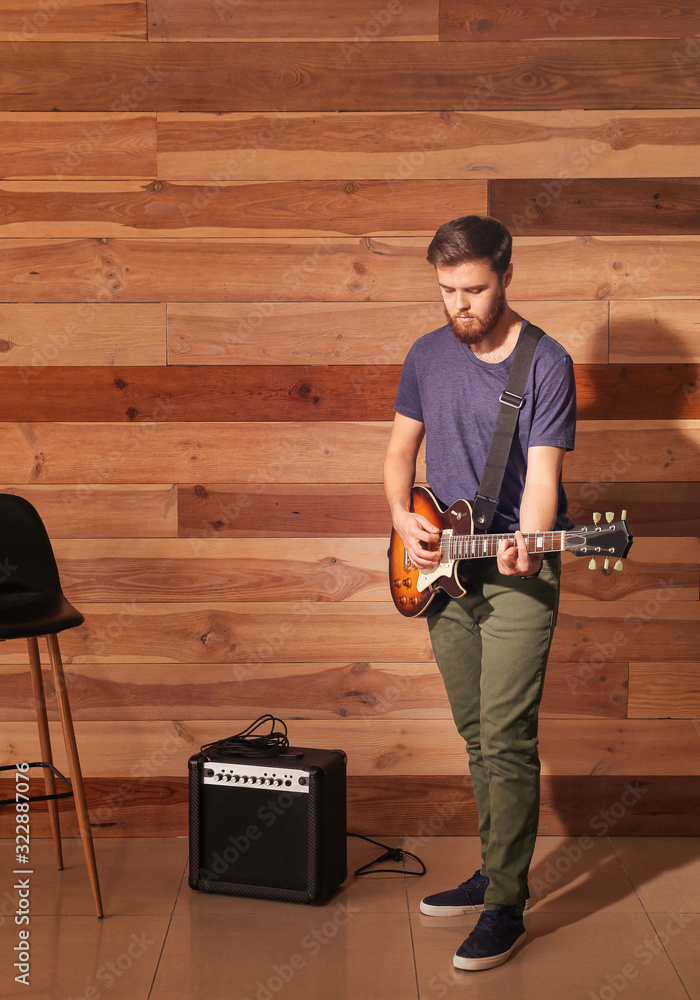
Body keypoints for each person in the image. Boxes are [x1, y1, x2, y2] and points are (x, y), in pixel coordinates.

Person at [383, 215, 576, 971]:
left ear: (505, 277)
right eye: (446, 291)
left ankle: (506, 906)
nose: (459, 305)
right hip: (443, 569)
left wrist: (531, 541)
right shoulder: (426, 355)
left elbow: (545, 481)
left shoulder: (545, 362)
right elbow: (400, 450)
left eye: (474, 290)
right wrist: (403, 520)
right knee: (476, 735)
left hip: (515, 570)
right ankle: (495, 870)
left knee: (507, 736)